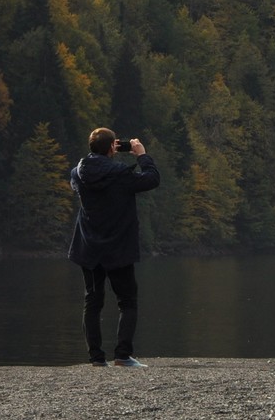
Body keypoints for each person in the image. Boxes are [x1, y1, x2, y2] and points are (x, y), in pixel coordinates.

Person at [68, 127, 160, 368]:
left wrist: (104, 153)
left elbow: (79, 181)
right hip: (118, 247)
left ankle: (96, 359)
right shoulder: (120, 174)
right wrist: (141, 154)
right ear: (112, 148)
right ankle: (122, 355)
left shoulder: (78, 173)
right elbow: (152, 179)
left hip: (89, 247)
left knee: (93, 302)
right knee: (127, 301)